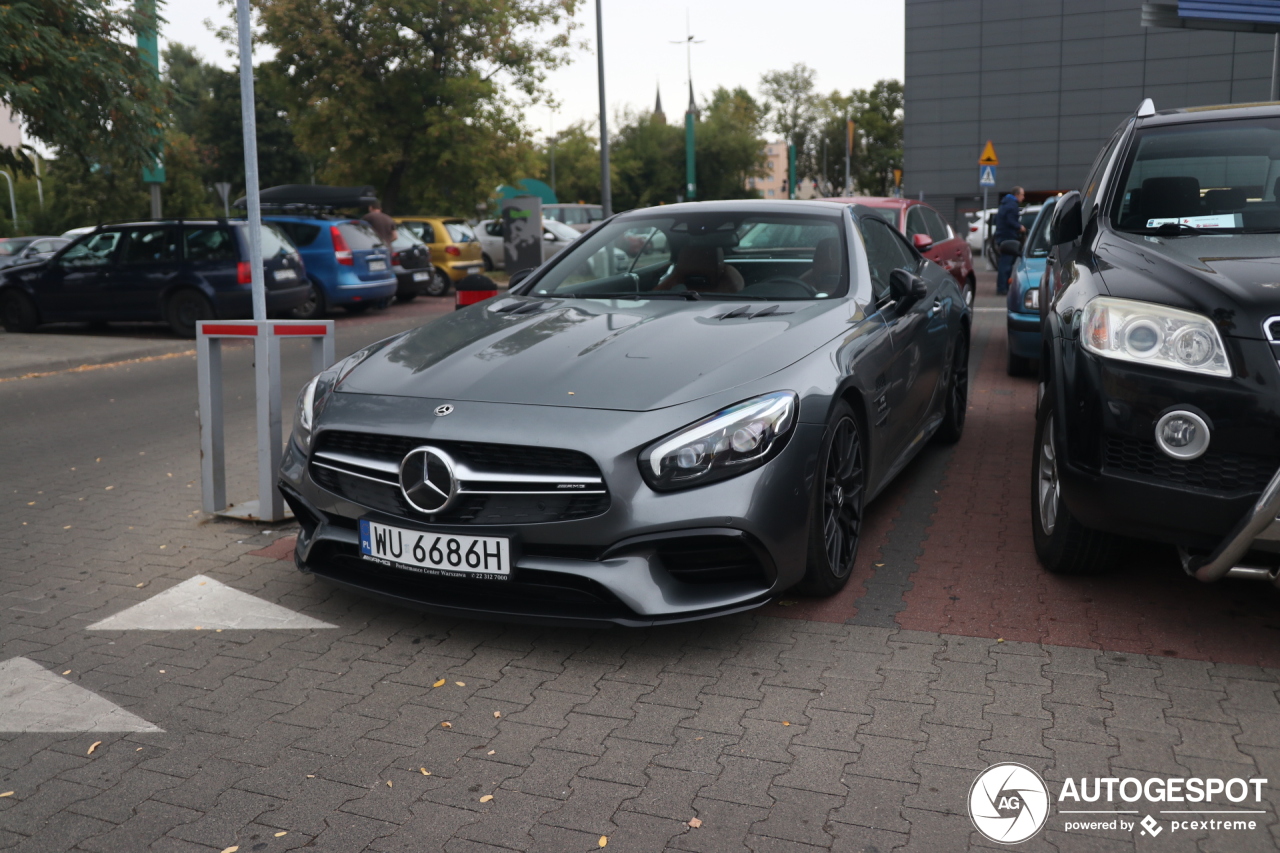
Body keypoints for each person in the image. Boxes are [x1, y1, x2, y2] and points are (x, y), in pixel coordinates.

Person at [993, 186, 1025, 295]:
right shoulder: (1012, 205)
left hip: (1002, 236)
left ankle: (1002, 287)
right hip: (1008, 238)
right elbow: (1011, 221)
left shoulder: (1004, 203)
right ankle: (1002, 289)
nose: (1023, 197)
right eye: (1022, 195)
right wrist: (1019, 227)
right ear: (1017, 195)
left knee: (1004, 263)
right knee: (1006, 264)